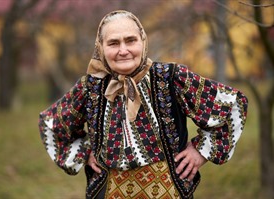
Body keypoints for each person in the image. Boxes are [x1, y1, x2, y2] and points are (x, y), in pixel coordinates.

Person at [38, 10, 248, 199]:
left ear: (143, 42)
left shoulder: (171, 77)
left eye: (130, 40)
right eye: (113, 43)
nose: (123, 50)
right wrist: (83, 151)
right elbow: (52, 123)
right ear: (100, 47)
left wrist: (202, 150)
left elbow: (231, 105)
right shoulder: (90, 87)